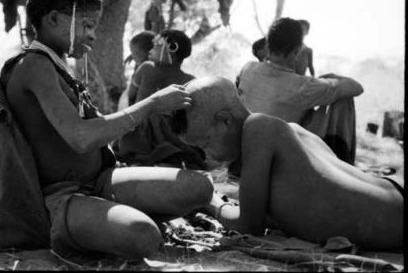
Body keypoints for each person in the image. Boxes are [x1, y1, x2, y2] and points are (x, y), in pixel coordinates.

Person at [0, 0, 217, 260]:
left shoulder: (59, 68)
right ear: (53, 19)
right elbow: (82, 138)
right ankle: (91, 223)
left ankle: (105, 217)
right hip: (53, 199)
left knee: (200, 186)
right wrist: (152, 104)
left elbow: (96, 129)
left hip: (99, 181)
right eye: (87, 25)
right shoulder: (34, 65)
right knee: (142, 236)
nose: (93, 35)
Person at [172, 76, 403, 250]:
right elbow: (307, 204)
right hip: (394, 194)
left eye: (204, 144)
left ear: (225, 120)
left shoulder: (258, 128)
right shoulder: (292, 131)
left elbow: (249, 226)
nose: (206, 156)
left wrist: (208, 200)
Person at [236, 17, 363, 166]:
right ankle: (341, 166)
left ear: (268, 44)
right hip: (279, 160)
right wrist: (334, 77)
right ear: (296, 51)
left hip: (243, 153)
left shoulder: (248, 69)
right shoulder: (304, 87)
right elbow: (356, 87)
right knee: (344, 99)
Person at [114, 29, 207, 169]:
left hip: (142, 139)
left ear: (171, 51)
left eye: (156, 46)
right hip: (174, 138)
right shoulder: (191, 80)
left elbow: (130, 96)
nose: (150, 51)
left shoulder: (146, 68)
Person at [118, 31, 156, 110]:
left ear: (142, 52)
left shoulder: (145, 67)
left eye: (133, 52)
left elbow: (131, 94)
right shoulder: (154, 64)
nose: (132, 56)